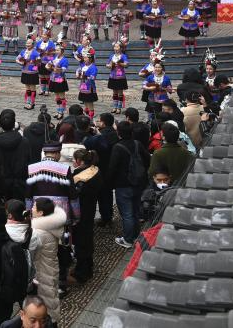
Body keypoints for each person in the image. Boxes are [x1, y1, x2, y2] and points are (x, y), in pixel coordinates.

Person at [107, 121, 149, 248]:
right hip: (138, 182)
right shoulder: (137, 144)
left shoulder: (118, 147)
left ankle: (128, 239)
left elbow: (112, 167)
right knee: (135, 210)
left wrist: (109, 183)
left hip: (123, 184)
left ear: (118, 133)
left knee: (127, 214)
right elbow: (147, 159)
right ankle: (136, 235)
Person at [28, 197, 65, 326]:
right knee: (51, 298)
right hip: (50, 267)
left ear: (41, 213)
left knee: (47, 303)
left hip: (43, 272)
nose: (32, 208)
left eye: (34, 207)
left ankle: (51, 323)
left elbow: (29, 252)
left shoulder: (39, 232)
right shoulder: (52, 226)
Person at [69, 149, 102, 284]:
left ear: (79, 161)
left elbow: (74, 195)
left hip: (80, 213)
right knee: (87, 239)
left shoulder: (80, 177)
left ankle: (81, 273)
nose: (72, 162)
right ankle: (88, 267)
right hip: (90, 210)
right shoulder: (95, 171)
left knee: (81, 243)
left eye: (74, 159)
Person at [0, 109, 31, 200]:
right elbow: (28, 162)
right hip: (20, 184)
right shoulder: (24, 141)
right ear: (14, 124)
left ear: (0, 125)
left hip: (0, 185)